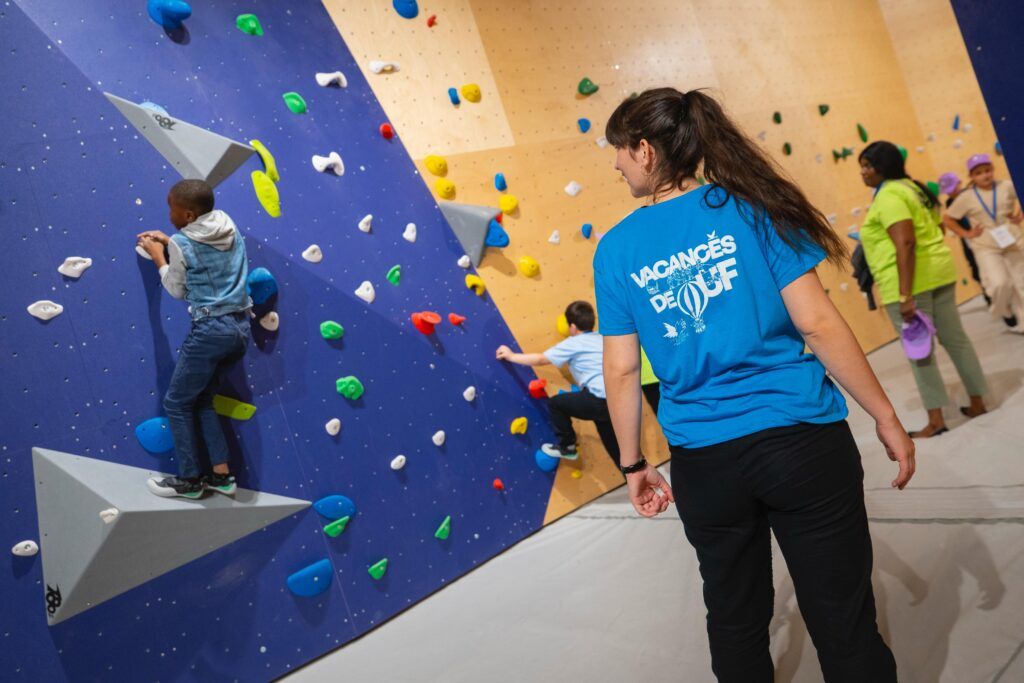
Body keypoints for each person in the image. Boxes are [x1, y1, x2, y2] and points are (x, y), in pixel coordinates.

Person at [594, 87, 915, 682]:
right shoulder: (751, 209)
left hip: (706, 463)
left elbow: (620, 369)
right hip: (804, 445)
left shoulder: (615, 250)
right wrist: (886, 416)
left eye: (616, 150)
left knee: (735, 622)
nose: (614, 164)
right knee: (843, 618)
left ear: (644, 150)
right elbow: (817, 323)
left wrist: (634, 464)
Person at [858, 142, 988, 437]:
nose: (863, 173)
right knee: (957, 341)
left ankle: (936, 420)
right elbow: (937, 229)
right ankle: (978, 401)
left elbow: (905, 242)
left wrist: (905, 295)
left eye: (867, 166)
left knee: (920, 352)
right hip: (939, 273)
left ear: (883, 167)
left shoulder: (890, 195)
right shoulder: (913, 188)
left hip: (908, 284)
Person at [136, 179, 252, 499]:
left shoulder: (181, 241)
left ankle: (189, 480)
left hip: (211, 330)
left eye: (172, 209)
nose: (169, 214)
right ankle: (221, 476)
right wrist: (172, 243)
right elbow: (202, 255)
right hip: (240, 330)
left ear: (188, 215)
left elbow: (176, 290)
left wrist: (161, 255)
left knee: (175, 402)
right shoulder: (227, 225)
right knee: (201, 400)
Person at [496, 301, 627, 465]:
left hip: (599, 399)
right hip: (619, 399)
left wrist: (511, 356)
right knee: (619, 449)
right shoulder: (602, 338)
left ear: (572, 326)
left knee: (556, 404)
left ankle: (568, 446)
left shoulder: (574, 343)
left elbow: (541, 359)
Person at [942, 154, 1024, 331]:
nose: (985, 175)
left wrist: (1019, 214)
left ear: (993, 170)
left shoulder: (1006, 186)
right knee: (999, 283)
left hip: (1013, 240)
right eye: (979, 173)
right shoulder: (966, 197)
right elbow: (948, 219)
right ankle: (1002, 308)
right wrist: (967, 233)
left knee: (1021, 282)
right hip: (986, 246)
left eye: (987, 170)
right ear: (971, 176)